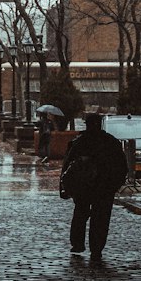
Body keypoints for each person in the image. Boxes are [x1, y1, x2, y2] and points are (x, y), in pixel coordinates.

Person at [59, 112, 128, 262]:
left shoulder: (79, 142)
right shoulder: (110, 142)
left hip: (84, 187)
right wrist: (115, 184)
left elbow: (67, 167)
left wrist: (64, 187)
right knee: (101, 218)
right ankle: (96, 247)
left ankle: (78, 244)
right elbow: (122, 166)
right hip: (104, 187)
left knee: (80, 214)